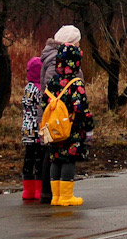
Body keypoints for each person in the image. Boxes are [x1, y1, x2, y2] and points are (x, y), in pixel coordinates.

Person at [37, 24, 81, 203]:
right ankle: (53, 193)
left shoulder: (52, 57)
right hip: (59, 114)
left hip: (52, 112)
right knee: (57, 153)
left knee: (52, 151)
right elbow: (55, 88)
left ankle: (51, 193)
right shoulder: (58, 60)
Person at [46, 44, 94, 207]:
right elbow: (81, 108)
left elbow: (44, 103)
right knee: (68, 160)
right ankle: (67, 197)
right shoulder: (75, 84)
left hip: (54, 128)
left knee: (55, 159)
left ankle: (56, 197)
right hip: (72, 128)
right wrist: (88, 128)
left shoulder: (52, 81)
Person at [20, 57, 46, 201]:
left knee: (28, 158)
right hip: (38, 127)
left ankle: (27, 191)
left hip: (27, 127)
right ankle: (38, 189)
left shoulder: (28, 88)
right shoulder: (40, 89)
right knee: (39, 158)